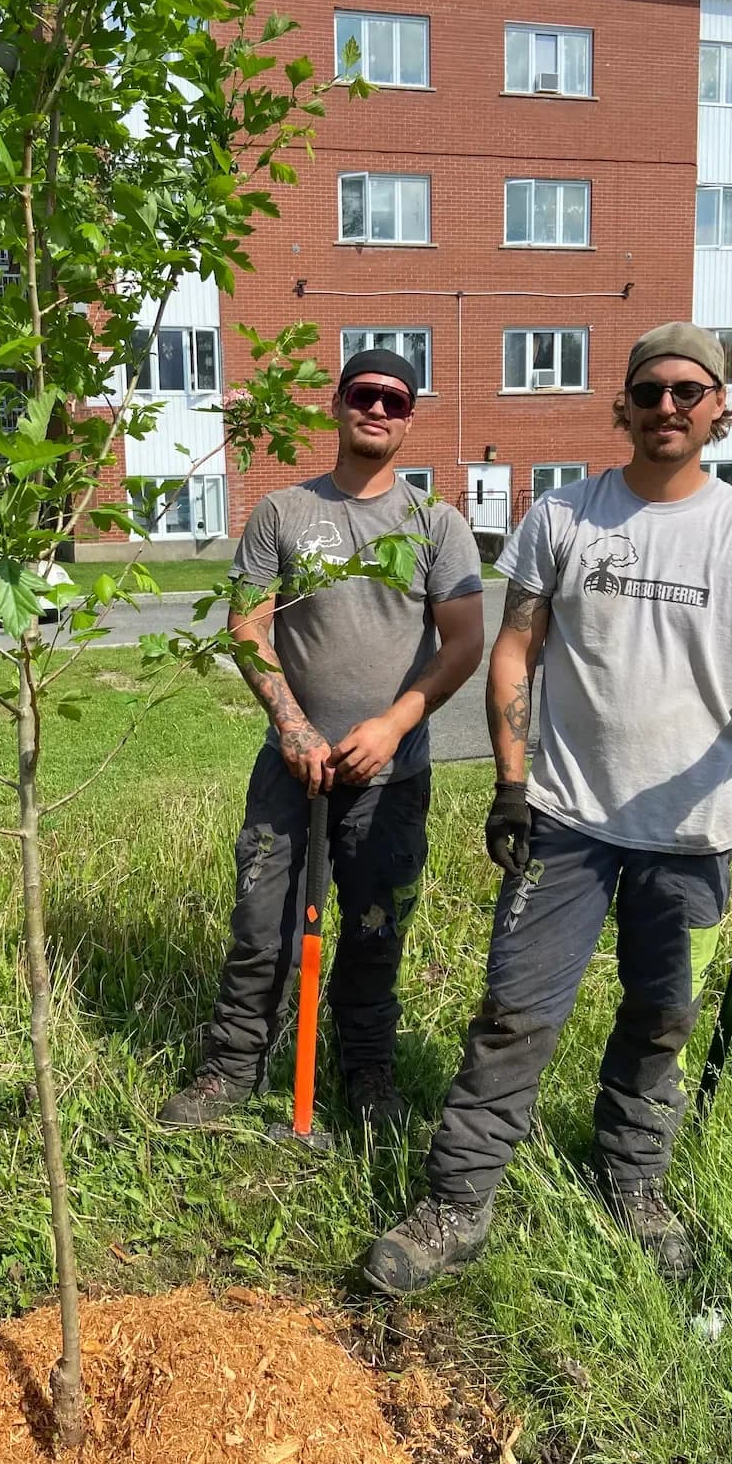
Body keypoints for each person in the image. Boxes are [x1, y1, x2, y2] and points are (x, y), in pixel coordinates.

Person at [365, 322, 732, 1292]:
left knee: (660, 1017)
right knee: (514, 1010)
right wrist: (512, 783)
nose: (669, 406)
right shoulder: (565, 517)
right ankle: (458, 1200)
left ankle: (632, 1176)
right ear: (623, 407)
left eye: (690, 390)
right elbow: (515, 648)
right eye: (651, 391)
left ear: (720, 408)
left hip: (690, 835)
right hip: (563, 818)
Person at [159, 349, 486, 1132]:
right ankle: (234, 1067)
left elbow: (465, 644)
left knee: (376, 932)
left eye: (396, 402)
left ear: (410, 420)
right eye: (365, 395)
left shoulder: (437, 525)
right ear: (337, 405)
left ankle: (366, 1072)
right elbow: (247, 625)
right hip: (290, 772)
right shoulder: (283, 512)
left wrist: (394, 724)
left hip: (391, 778)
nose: (378, 410)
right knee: (261, 926)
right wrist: (293, 726)